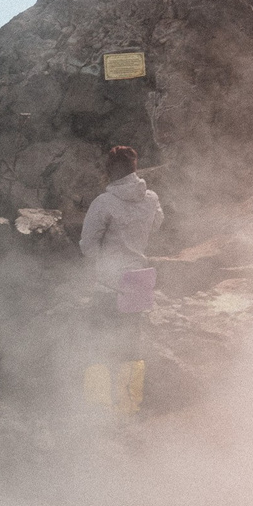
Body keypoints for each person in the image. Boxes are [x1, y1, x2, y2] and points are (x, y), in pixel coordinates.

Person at [78, 146, 163, 416]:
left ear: (111, 169)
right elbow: (157, 224)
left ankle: (98, 408)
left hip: (110, 285)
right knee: (131, 346)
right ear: (135, 168)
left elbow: (87, 245)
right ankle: (129, 407)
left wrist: (105, 260)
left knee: (98, 345)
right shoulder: (150, 199)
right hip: (138, 280)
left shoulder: (104, 203)